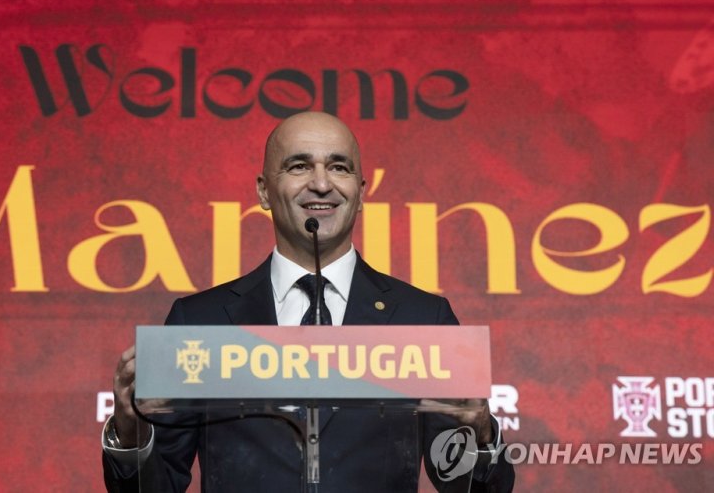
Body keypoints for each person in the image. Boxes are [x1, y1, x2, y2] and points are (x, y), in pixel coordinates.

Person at [102, 112, 515, 492]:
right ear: (264, 191)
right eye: (299, 166)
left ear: (361, 191)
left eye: (339, 166)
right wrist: (132, 436)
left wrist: (479, 434)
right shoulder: (199, 322)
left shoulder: (424, 320)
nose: (321, 183)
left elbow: (472, 487)